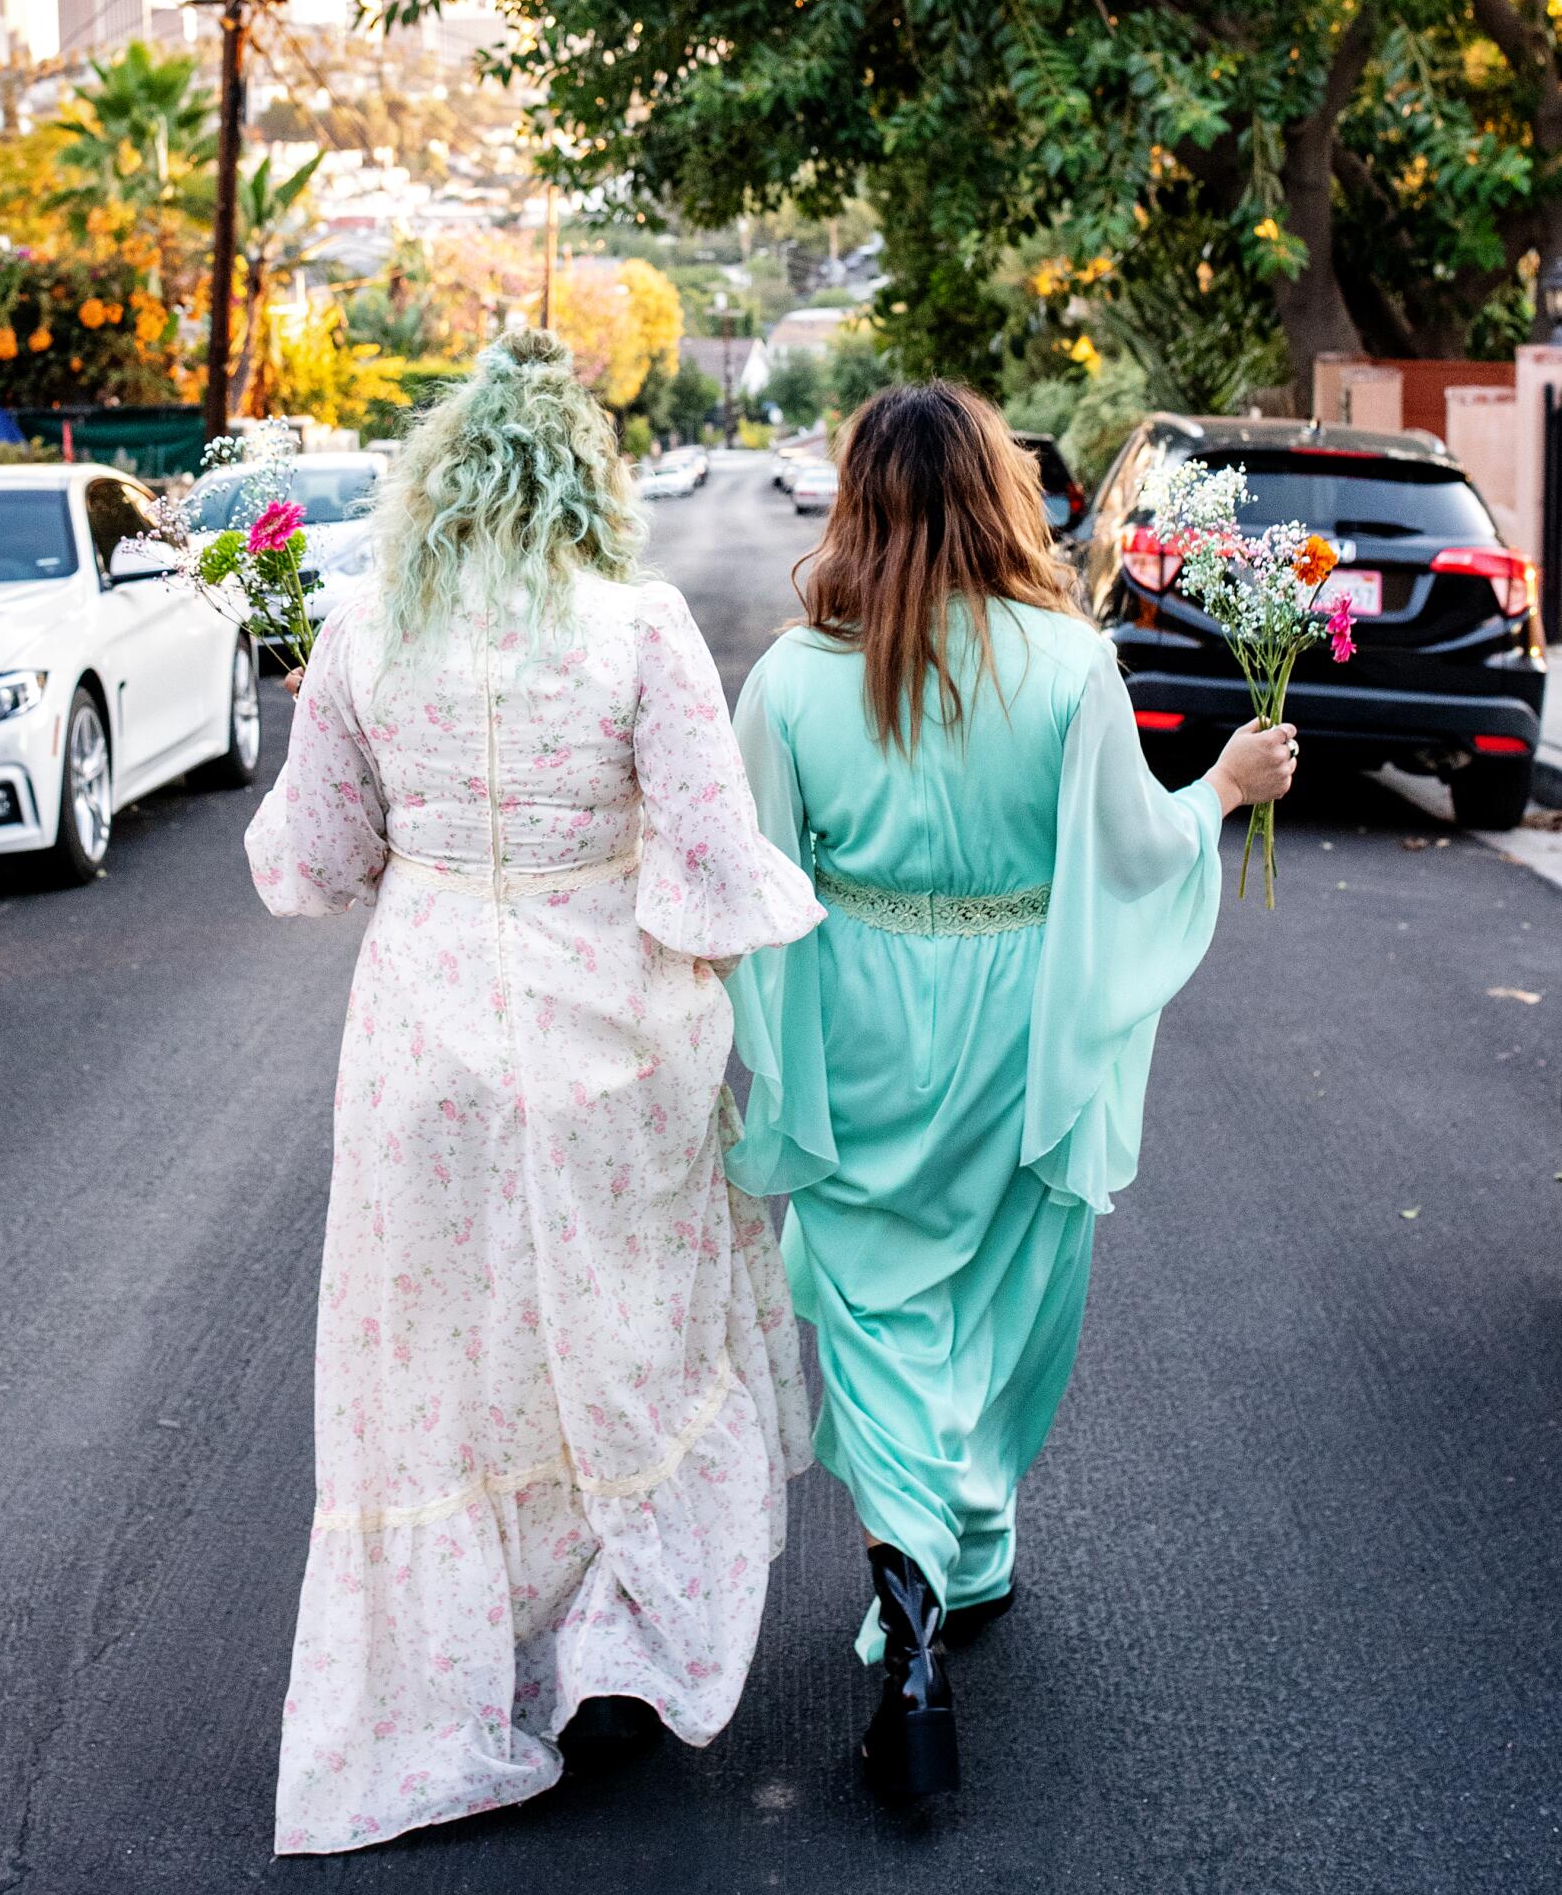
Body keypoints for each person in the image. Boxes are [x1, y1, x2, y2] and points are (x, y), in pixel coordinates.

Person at [245, 329, 825, 1856]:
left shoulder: (368, 628)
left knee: (437, 1367)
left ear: (441, 483)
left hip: (422, 1039)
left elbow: (312, 864)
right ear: (584, 479)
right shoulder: (638, 625)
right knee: (612, 1337)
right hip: (608, 1041)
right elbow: (707, 860)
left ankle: (453, 1685)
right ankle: (618, 1639)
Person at [726, 380, 1296, 1808]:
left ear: (858, 499)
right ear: (1001, 494)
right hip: (1020, 1025)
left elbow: (749, 877)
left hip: (859, 1015)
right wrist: (1223, 785)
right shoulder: (1064, 660)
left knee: (875, 1302)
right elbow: (1125, 850)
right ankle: (956, 1545)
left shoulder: (796, 675)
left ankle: (920, 1580)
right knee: (999, 1283)